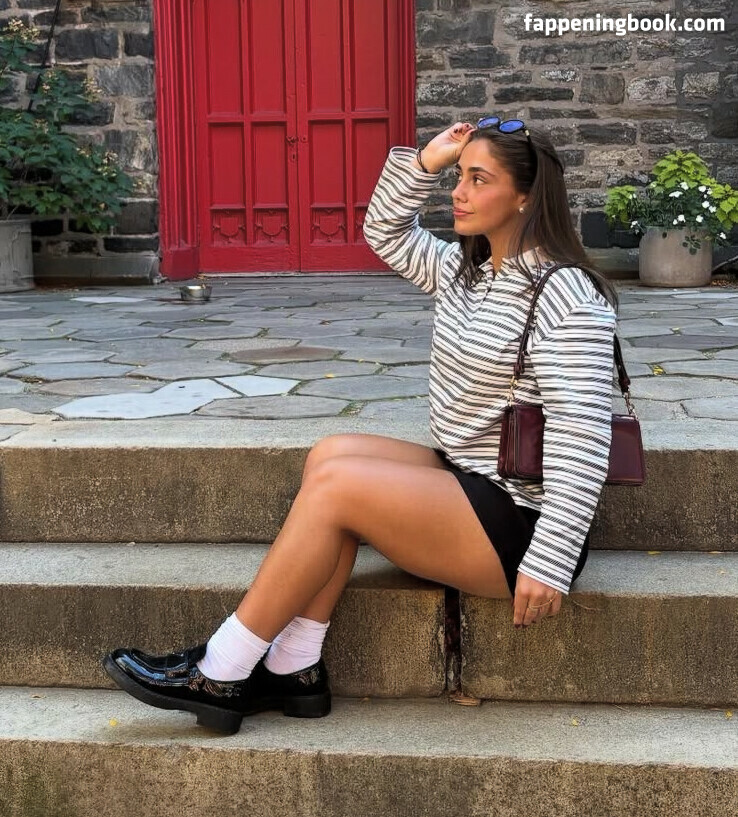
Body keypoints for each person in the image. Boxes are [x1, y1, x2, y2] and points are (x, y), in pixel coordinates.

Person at [103, 118, 619, 735]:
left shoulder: (567, 295)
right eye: (459, 177)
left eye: (479, 180)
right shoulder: (467, 271)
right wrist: (425, 163)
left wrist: (551, 559)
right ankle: (295, 666)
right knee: (331, 455)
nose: (458, 193)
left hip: (520, 524)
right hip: (471, 477)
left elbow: (584, 434)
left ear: (526, 198)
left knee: (338, 489)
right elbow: (384, 231)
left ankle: (222, 670)